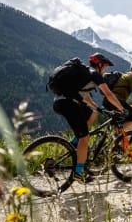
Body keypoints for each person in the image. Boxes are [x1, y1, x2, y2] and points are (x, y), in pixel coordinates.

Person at [53, 53, 127, 183]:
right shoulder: (95, 74)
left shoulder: (84, 74)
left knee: (92, 113)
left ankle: (76, 142)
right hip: (68, 103)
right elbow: (108, 94)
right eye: (105, 67)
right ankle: (79, 173)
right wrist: (121, 108)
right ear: (99, 65)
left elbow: (84, 96)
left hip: (61, 102)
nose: (105, 70)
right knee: (85, 138)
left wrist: (96, 107)